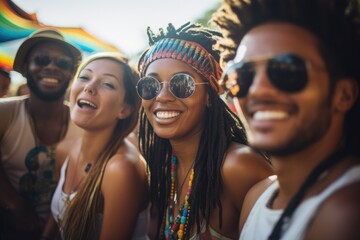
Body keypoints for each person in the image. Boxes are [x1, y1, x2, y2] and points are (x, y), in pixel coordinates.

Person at [213, 0, 360, 239]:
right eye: (243, 75)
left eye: (286, 70)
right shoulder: (256, 198)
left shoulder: (346, 210)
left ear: (343, 94)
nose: (257, 91)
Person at [137, 22, 273, 240]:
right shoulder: (161, 168)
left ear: (209, 94)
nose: (161, 96)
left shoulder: (237, 166)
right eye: (150, 85)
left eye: (181, 84)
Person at [47, 52, 149, 240]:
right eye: (84, 77)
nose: (89, 87)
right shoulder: (67, 150)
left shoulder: (120, 168)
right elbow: (55, 222)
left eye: (107, 84)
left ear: (125, 109)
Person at [0, 28, 82, 239]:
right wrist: (15, 204)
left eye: (63, 63)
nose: (52, 67)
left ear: (71, 74)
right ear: (26, 67)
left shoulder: (82, 122)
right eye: (42, 60)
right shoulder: (5, 112)